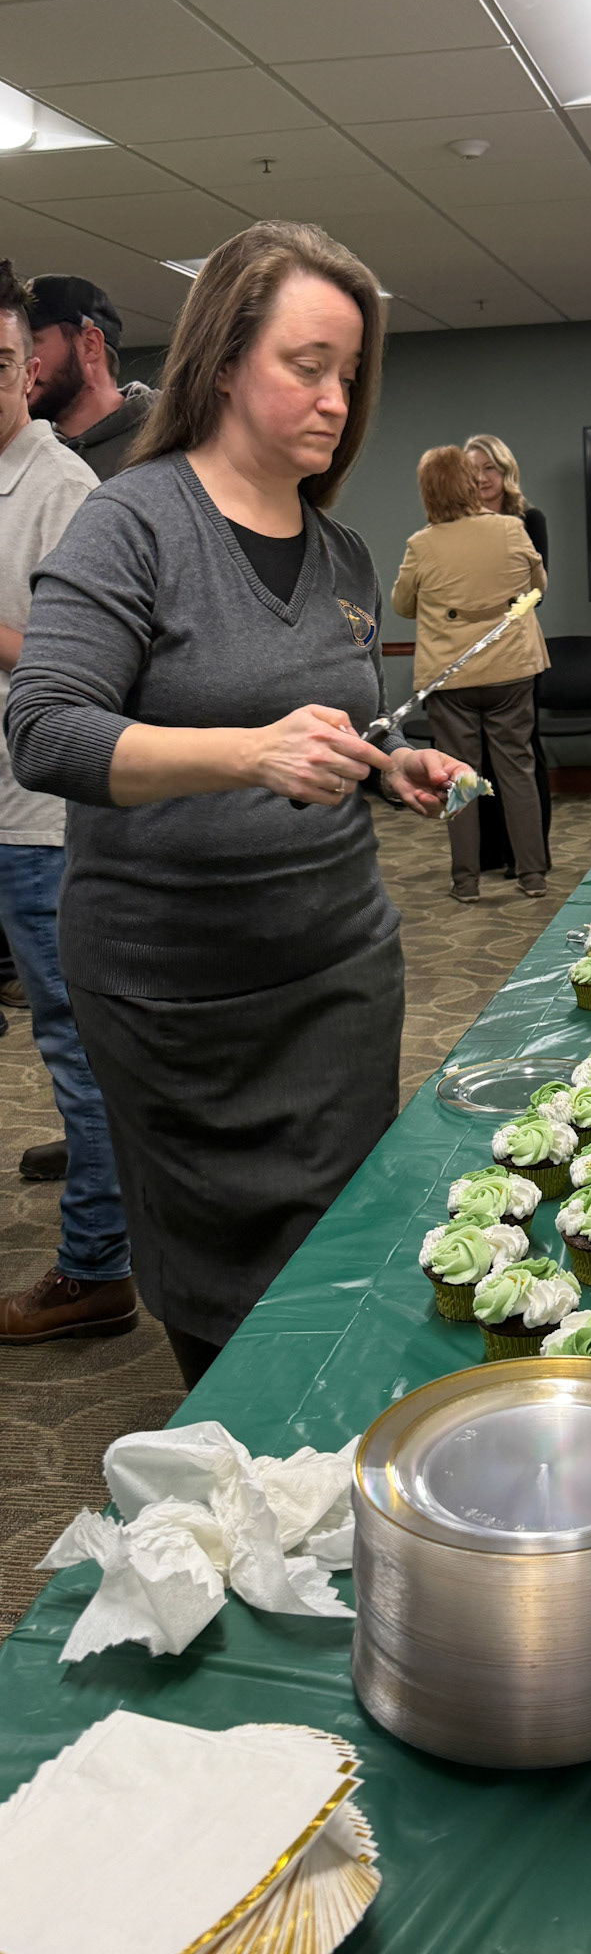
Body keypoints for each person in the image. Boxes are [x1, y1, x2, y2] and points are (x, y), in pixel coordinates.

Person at [7, 221, 468, 1389]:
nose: (335, 401)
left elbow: (330, 722)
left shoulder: (344, 554)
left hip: (337, 972)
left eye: (349, 374)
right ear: (221, 364)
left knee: (344, 1264)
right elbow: (46, 728)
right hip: (176, 993)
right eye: (306, 366)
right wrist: (247, 755)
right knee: (226, 1308)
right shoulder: (131, 522)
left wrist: (383, 762)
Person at [0, 259, 134, 1345]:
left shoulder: (63, 489)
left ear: (27, 368)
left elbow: (84, 671)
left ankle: (97, 1266)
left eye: (1, 362)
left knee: (75, 1044)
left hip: (36, 823)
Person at [392, 446, 549, 904]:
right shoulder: (511, 528)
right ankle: (533, 875)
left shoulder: (421, 544)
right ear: (469, 483)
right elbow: (538, 587)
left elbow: (402, 605)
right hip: (512, 669)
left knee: (457, 777)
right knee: (518, 769)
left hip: (450, 677)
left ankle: (466, 881)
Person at [26, 275, 159, 480]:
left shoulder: (172, 437)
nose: (21, 362)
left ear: (90, 346)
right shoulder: (30, 457)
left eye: (31, 343)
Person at [464, 432, 548, 565]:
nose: (481, 478)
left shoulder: (530, 519)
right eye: (473, 470)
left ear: (506, 469)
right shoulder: (460, 521)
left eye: (489, 468)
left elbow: (539, 576)